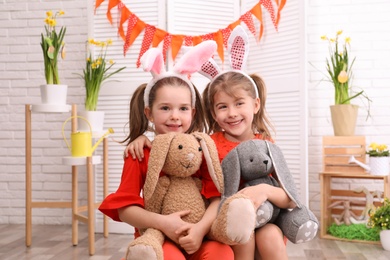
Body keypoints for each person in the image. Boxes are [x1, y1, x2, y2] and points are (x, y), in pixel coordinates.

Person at [99, 42, 234, 260]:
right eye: (165, 108)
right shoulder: (140, 153)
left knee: (223, 252)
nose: (175, 116)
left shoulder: (199, 151)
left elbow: (217, 197)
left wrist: (199, 230)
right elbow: (125, 209)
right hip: (157, 235)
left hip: (198, 234)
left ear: (192, 112)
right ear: (149, 113)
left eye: (182, 109)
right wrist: (165, 224)